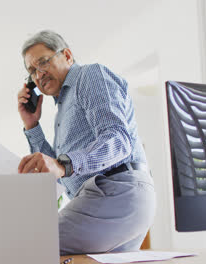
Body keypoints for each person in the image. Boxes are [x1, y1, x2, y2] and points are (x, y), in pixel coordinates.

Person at [16, 30, 156, 255]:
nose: (39, 74)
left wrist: (64, 164)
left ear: (68, 56)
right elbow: (50, 172)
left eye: (43, 62)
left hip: (116, 191)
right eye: (32, 71)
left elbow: (119, 139)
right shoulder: (62, 111)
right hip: (107, 197)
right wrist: (32, 124)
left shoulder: (90, 76)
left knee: (30, 247)